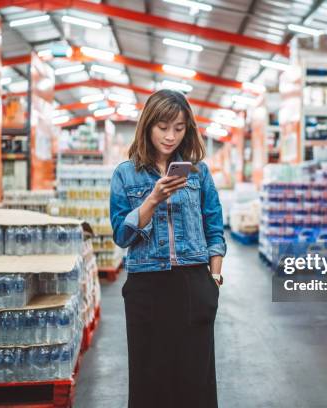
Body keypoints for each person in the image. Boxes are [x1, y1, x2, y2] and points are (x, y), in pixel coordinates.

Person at [110, 89, 226, 408]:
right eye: (163, 127)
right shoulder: (125, 174)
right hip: (147, 285)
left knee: (195, 379)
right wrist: (153, 199)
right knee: (150, 379)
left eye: (179, 127)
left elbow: (214, 228)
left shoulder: (198, 173)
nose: (171, 136)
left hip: (192, 283)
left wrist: (213, 279)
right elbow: (121, 235)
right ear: (147, 125)